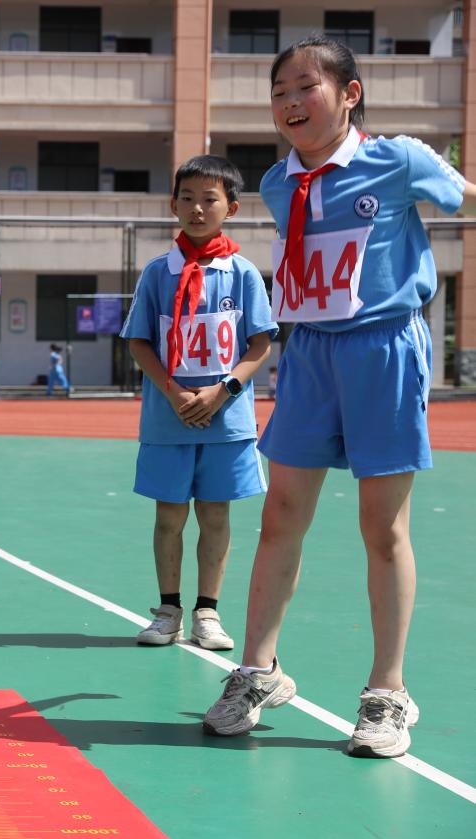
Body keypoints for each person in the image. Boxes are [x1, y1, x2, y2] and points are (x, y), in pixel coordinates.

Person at [202, 37, 476, 759]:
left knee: (380, 527)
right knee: (279, 514)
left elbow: (464, 196)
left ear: (348, 94)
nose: (290, 102)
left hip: (384, 351)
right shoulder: (273, 183)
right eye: (279, 92)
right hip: (310, 354)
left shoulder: (399, 160)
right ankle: (257, 672)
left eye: (306, 88)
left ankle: (388, 693)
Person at [120, 155, 276, 652]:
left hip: (226, 421)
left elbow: (259, 344)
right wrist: (175, 391)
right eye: (186, 198)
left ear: (230, 207)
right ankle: (168, 611)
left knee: (215, 515)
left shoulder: (244, 274)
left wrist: (222, 390)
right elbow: (139, 341)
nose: (196, 208)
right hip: (169, 420)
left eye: (209, 199)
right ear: (172, 205)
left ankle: (208, 612)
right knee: (169, 515)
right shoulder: (157, 274)